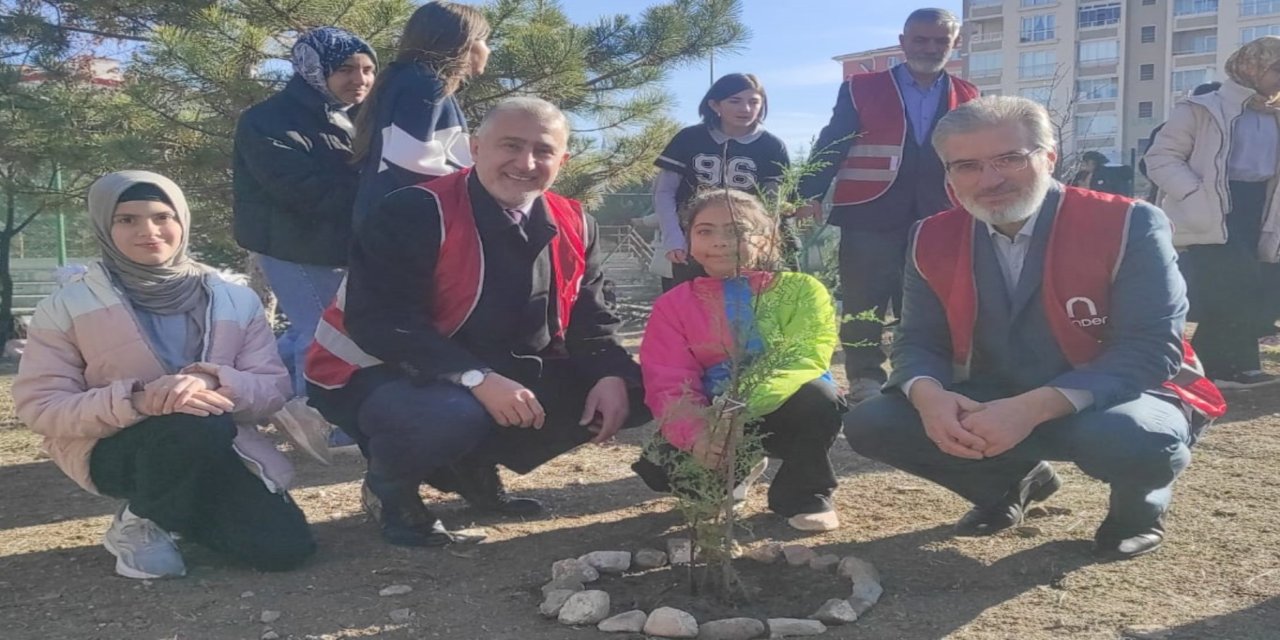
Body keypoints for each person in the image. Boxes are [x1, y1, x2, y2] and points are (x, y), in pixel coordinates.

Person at [842, 97, 1226, 561]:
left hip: (1111, 395)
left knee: (1136, 438)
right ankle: (1011, 485)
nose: (991, 180)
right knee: (873, 423)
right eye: (968, 166)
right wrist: (929, 396)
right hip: (993, 390)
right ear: (949, 176)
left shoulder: (1128, 222)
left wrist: (1031, 409)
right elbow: (919, 340)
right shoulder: (930, 237)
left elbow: (1150, 349)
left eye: (1009, 158)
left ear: (1049, 157)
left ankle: (1137, 512)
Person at [305, 98, 648, 547]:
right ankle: (391, 489)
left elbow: (592, 317)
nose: (525, 163)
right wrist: (474, 377)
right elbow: (381, 322)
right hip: (375, 372)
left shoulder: (576, 221)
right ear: (475, 147)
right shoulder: (415, 210)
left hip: (497, 366)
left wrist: (609, 373)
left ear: (562, 161)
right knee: (448, 414)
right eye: (510, 145)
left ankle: (469, 464)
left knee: (638, 389)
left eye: (543, 151)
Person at [13, 171, 314, 578]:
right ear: (104, 225)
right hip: (118, 448)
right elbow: (40, 406)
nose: (149, 231)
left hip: (219, 442)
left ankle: (178, 508)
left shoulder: (234, 299)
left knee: (283, 548)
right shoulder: (68, 305)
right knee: (192, 426)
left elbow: (273, 387)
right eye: (127, 220)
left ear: (181, 220)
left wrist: (214, 381)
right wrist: (137, 399)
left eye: (162, 216)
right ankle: (140, 520)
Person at [632, 190, 845, 532]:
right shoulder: (673, 305)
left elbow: (804, 356)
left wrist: (742, 406)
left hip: (783, 409)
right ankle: (737, 469)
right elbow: (668, 379)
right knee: (663, 471)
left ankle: (804, 495)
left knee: (819, 399)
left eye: (736, 230)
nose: (719, 241)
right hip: (711, 418)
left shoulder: (803, 290)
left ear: (769, 238)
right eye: (705, 231)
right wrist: (698, 435)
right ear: (688, 240)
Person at [796, 8, 978, 404]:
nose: (930, 48)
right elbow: (832, 141)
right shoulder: (861, 87)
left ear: (954, 44)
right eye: (920, 40)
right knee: (864, 299)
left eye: (940, 41)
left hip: (939, 216)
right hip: (869, 210)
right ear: (903, 41)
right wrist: (808, 192)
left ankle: (919, 377)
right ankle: (865, 379)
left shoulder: (968, 96)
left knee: (928, 300)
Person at [232, 26, 377, 461]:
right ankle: (326, 420)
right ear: (314, 69)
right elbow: (296, 187)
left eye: (369, 70)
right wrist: (374, 198)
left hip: (333, 243)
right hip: (294, 245)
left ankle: (258, 397)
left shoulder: (350, 115)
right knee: (325, 331)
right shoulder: (268, 119)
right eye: (347, 69)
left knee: (309, 327)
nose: (361, 80)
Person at [1145, 37, 1280, 389]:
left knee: (1254, 285)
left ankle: (1235, 365)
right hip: (1211, 206)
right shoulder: (1202, 108)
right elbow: (1159, 158)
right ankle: (1219, 367)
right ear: (1254, 67)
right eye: (1277, 69)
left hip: (1258, 207)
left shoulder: (1273, 112)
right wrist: (1193, 193)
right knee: (1234, 281)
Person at [350, 0, 490, 228]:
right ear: (463, 44)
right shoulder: (425, 83)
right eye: (484, 40)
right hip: (404, 225)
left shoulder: (405, 78)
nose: (487, 49)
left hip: (386, 220)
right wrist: (477, 189)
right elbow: (413, 160)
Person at [653, 73, 793, 287]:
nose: (745, 109)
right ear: (714, 104)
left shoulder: (772, 146)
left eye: (753, 102)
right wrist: (673, 238)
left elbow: (772, 203)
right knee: (686, 309)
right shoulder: (689, 138)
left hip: (744, 244)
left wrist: (762, 242)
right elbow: (664, 192)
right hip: (692, 243)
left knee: (742, 311)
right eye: (735, 101)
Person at [1138, 82, 1221, 202]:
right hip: (1178, 199)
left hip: (1172, 196)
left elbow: (1146, 164)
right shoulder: (1174, 128)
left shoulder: (1168, 127)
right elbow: (1149, 163)